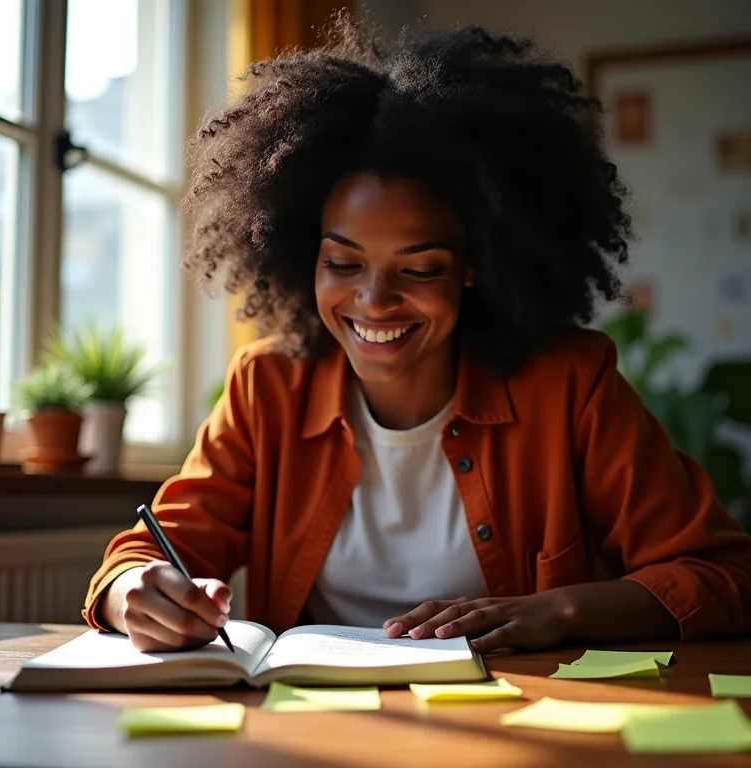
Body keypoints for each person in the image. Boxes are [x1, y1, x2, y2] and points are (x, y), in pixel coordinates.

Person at [85, 17, 751, 654]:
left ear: (472, 267)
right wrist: (132, 593)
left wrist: (555, 610)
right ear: (302, 254)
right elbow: (147, 555)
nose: (374, 300)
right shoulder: (268, 387)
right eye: (342, 263)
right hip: (308, 724)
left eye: (420, 268)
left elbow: (725, 574)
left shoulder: (569, 385)